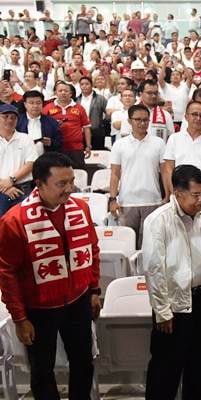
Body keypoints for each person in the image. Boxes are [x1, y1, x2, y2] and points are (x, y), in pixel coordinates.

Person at [0, 151, 101, 399]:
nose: (69, 189)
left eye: (71, 181)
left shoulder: (80, 208)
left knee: (83, 363)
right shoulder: (14, 220)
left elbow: (92, 249)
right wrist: (20, 318)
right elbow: (7, 273)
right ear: (40, 184)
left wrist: (95, 289)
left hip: (78, 300)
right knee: (42, 370)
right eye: (61, 184)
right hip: (38, 309)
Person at [142, 164, 201, 400]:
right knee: (165, 370)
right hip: (173, 306)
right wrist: (162, 311)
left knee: (198, 368)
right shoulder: (158, 221)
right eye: (196, 194)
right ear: (177, 193)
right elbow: (153, 268)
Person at [109, 104, 166, 249]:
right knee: (128, 246)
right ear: (129, 121)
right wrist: (112, 198)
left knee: (151, 246)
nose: (142, 123)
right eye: (138, 119)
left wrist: (168, 195)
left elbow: (165, 172)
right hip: (127, 202)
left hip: (152, 201)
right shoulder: (120, 145)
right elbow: (115, 174)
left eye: (146, 120)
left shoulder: (159, 143)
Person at [163, 101, 201, 224]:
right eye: (194, 114)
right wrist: (176, 194)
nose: (198, 118)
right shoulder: (174, 139)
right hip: (181, 198)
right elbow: (169, 169)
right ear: (186, 117)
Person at [43, 81, 92, 169]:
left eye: (66, 91)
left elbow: (86, 128)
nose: (63, 93)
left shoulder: (79, 108)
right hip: (56, 148)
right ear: (55, 93)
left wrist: (88, 145)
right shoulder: (47, 108)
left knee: (78, 173)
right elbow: (42, 126)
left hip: (76, 148)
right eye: (60, 91)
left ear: (70, 93)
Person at [0, 103, 38, 216]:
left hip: (22, 190)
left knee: (23, 226)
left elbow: (30, 163)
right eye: (5, 117)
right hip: (1, 189)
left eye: (13, 118)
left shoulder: (25, 139)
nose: (9, 120)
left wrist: (10, 181)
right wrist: (4, 187)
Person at [16, 90, 63, 155]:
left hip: (44, 160)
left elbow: (60, 142)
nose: (35, 106)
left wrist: (51, 142)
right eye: (31, 103)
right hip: (22, 159)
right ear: (25, 104)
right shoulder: (17, 121)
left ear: (42, 104)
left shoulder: (51, 121)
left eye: (38, 103)